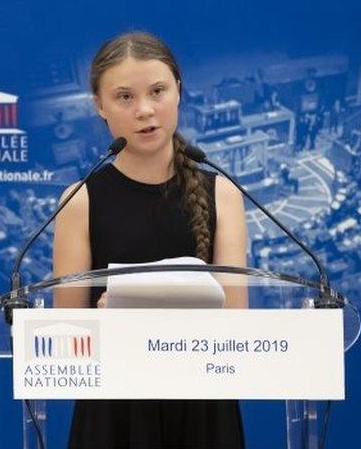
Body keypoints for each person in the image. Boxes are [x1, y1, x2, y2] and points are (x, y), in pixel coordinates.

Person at [52, 31, 248, 448]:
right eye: (124, 97)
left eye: (157, 91)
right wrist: (103, 320)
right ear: (100, 106)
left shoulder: (223, 193)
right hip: (114, 413)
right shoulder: (80, 199)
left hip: (203, 410)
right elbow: (66, 343)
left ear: (178, 90)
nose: (144, 110)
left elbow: (236, 329)